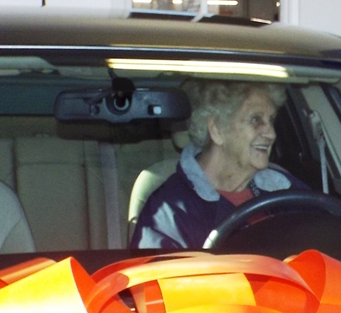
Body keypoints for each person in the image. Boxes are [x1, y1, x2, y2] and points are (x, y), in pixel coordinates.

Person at [131, 81, 307, 249]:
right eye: (256, 120)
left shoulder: (285, 188)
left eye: (272, 120)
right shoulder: (169, 212)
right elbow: (159, 270)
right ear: (217, 129)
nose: (272, 134)